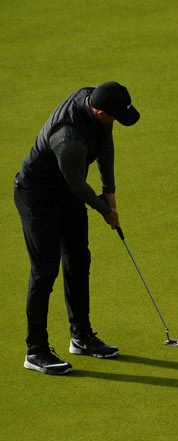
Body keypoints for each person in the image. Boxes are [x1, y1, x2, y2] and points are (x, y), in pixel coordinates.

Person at [13, 82, 140, 375]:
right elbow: (77, 185)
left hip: (66, 191)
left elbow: (105, 141)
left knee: (79, 259)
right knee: (45, 270)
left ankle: (81, 337)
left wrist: (110, 192)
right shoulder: (67, 139)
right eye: (114, 116)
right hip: (38, 195)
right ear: (98, 111)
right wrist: (105, 210)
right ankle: (36, 351)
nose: (116, 122)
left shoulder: (94, 98)